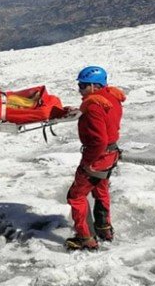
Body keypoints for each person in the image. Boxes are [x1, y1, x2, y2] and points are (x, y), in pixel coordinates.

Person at [65, 65, 126, 251]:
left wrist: (88, 163)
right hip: (111, 154)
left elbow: (99, 140)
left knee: (76, 196)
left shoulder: (93, 106)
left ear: (94, 86)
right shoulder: (111, 97)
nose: (80, 89)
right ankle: (104, 228)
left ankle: (85, 237)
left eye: (83, 86)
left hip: (98, 157)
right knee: (101, 190)